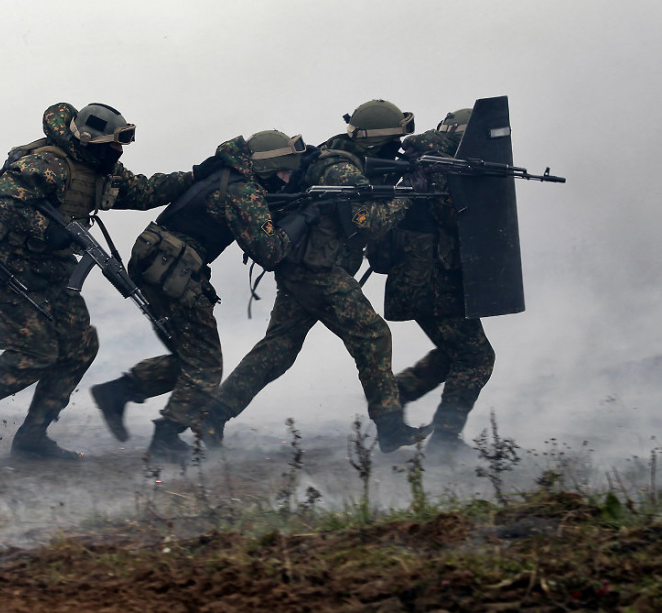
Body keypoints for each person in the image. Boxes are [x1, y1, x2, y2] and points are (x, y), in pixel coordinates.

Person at [0, 102, 194, 460]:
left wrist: (196, 177)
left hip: (55, 271)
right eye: (112, 145)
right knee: (35, 355)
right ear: (88, 140)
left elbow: (145, 192)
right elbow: (1, 201)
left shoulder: (99, 167)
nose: (118, 152)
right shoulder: (48, 163)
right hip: (14, 268)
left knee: (80, 347)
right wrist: (47, 230)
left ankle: (32, 437)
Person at [197, 99, 433, 453]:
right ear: (376, 140)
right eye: (393, 139)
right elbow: (368, 224)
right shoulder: (341, 170)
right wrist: (408, 194)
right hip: (319, 271)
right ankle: (390, 427)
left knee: (278, 349)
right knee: (373, 335)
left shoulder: (336, 152)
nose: (397, 145)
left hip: (302, 267)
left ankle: (211, 417)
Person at [91, 129, 316, 462]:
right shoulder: (243, 192)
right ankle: (166, 437)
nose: (286, 179)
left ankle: (119, 392)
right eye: (284, 171)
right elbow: (271, 252)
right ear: (268, 167)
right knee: (207, 367)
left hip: (156, 263)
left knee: (189, 359)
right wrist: (307, 215)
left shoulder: (227, 175)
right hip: (176, 272)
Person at [377, 108, 496, 457]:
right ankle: (444, 443)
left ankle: (393, 397)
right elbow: (454, 215)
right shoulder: (442, 164)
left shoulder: (425, 159)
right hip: (427, 279)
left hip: (423, 277)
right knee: (476, 357)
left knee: (454, 354)